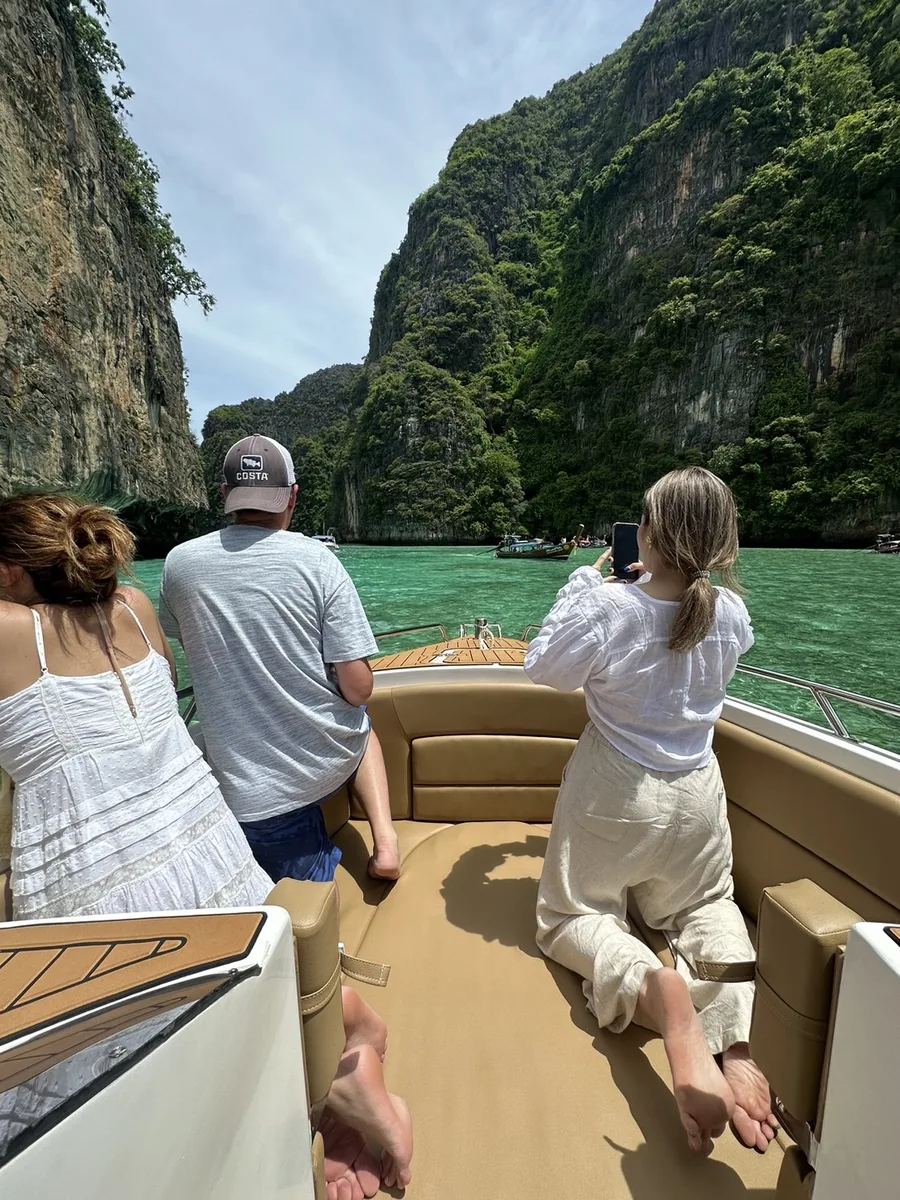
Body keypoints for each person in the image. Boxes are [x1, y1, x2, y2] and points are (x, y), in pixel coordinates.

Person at [0, 492, 412, 1190]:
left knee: (112, 1073)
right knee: (246, 981)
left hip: (99, 871)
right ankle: (345, 1045)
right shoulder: (135, 607)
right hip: (206, 840)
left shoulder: (11, 628)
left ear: (12, 571)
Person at [525, 467, 777, 1158]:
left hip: (618, 795)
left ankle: (655, 992)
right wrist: (666, 583)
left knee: (571, 918)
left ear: (650, 532)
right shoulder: (730, 613)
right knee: (708, 907)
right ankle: (736, 1042)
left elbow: (544, 667)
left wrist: (584, 585)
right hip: (697, 798)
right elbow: (712, 634)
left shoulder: (612, 606)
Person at [158, 435, 400, 885]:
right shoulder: (317, 560)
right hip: (316, 768)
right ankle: (385, 842)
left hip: (241, 789)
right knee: (361, 723)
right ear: (292, 496)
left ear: (226, 494)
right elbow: (358, 687)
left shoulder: (179, 564)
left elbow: (183, 648)